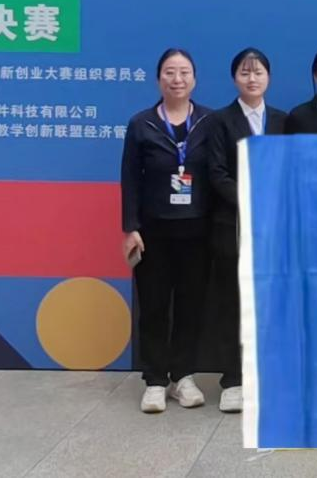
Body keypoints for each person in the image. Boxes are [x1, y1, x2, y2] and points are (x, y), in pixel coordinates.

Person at [121, 49, 216, 414]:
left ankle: (184, 377)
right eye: (170, 72)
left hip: (198, 231)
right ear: (158, 78)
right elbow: (130, 179)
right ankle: (155, 380)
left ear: (195, 79)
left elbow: (217, 174)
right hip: (153, 232)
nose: (177, 79)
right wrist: (130, 227)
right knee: (155, 306)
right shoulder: (142, 123)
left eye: (184, 72)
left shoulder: (209, 121)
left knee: (191, 306)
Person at [206, 48, 286, 414]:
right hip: (233, 225)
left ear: (268, 77)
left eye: (258, 72)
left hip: (275, 227)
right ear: (234, 78)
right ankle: (233, 380)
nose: (252, 79)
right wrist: (248, 199)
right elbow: (216, 172)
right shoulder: (220, 121)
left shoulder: (282, 120)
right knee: (233, 303)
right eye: (244, 72)